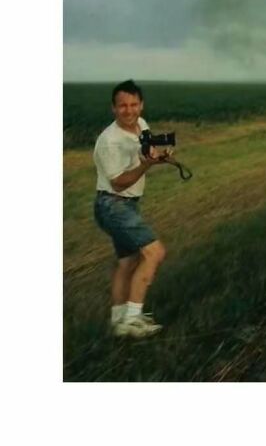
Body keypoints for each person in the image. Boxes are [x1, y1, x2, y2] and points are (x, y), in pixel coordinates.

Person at [93, 79, 169, 338]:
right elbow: (118, 182)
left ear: (141, 105)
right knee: (154, 253)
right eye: (122, 106)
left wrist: (158, 156)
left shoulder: (142, 125)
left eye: (133, 104)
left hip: (127, 204)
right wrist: (147, 165)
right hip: (112, 204)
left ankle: (119, 322)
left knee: (128, 262)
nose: (129, 110)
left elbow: (143, 149)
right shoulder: (109, 141)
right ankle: (134, 320)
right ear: (113, 108)